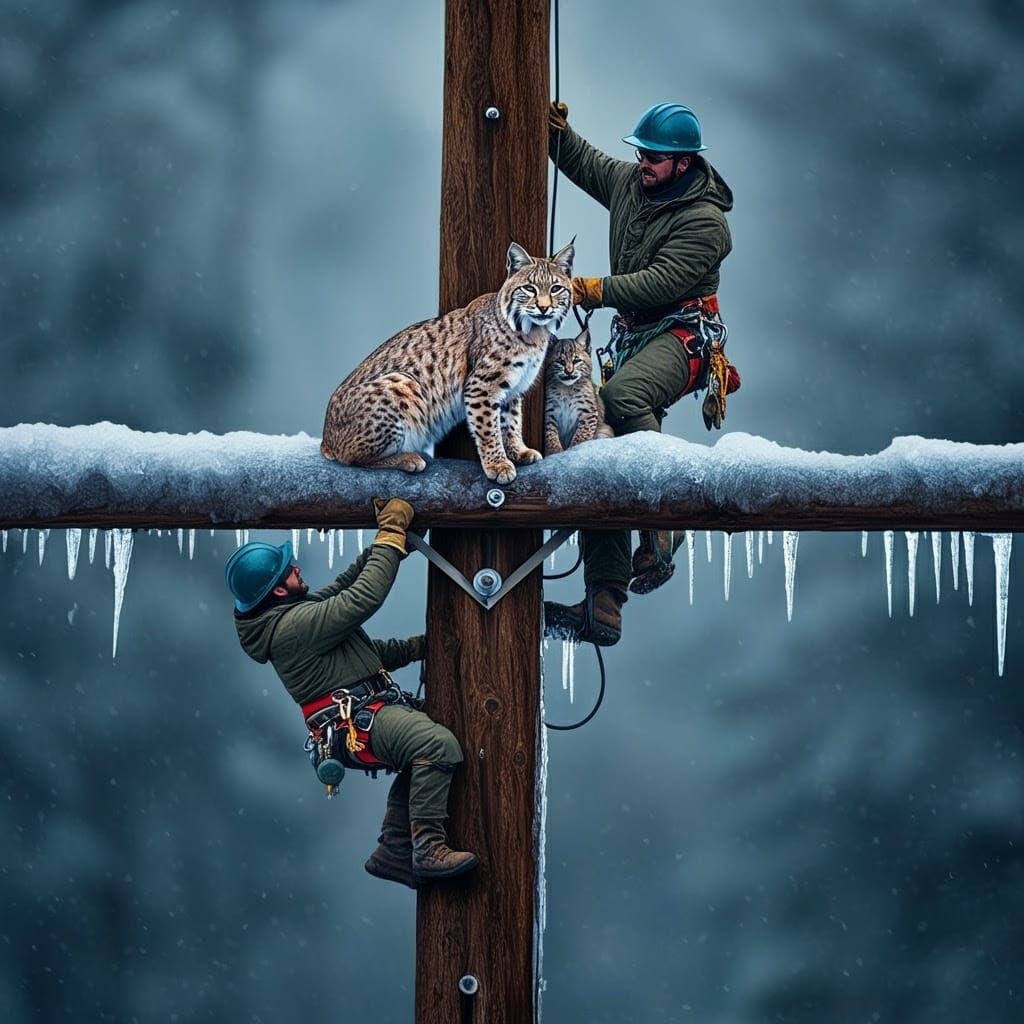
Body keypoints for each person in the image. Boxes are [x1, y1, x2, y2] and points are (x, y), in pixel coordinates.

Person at [544, 100, 737, 646]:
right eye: (642, 153)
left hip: (684, 336)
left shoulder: (706, 223)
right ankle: (604, 599)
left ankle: (664, 529)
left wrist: (592, 289)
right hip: (635, 336)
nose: (643, 163)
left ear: (683, 163)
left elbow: (659, 282)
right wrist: (555, 132)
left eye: (654, 157)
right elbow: (585, 163)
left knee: (623, 397)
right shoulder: (632, 184)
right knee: (592, 428)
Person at [225, 497, 478, 889]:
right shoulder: (293, 629)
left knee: (444, 733)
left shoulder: (294, 614)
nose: (296, 568)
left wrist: (397, 542)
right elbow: (362, 598)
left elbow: (348, 590)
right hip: (354, 726)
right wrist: (390, 536)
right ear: (277, 592)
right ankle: (426, 849)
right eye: (287, 571)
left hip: (367, 713)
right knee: (435, 745)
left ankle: (394, 848)